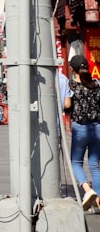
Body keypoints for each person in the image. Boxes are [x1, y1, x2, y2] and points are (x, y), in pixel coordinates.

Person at [65, 54, 100, 210]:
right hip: (98, 127)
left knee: (76, 162)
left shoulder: (72, 86)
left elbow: (66, 106)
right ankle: (98, 200)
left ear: (72, 69)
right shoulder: (97, 84)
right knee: (94, 165)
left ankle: (87, 189)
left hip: (80, 128)